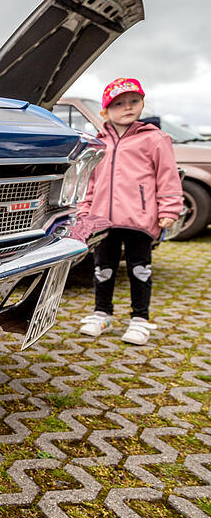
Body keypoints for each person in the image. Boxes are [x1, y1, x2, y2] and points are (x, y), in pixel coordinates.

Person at [77, 77, 183, 345]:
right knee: (103, 269)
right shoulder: (98, 143)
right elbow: (90, 181)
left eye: (134, 101)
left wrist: (169, 209)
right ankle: (102, 313)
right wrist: (85, 211)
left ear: (142, 103)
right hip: (103, 221)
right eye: (119, 103)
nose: (127, 107)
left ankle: (140, 319)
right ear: (105, 111)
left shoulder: (155, 139)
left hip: (140, 220)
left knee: (140, 270)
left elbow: (167, 177)